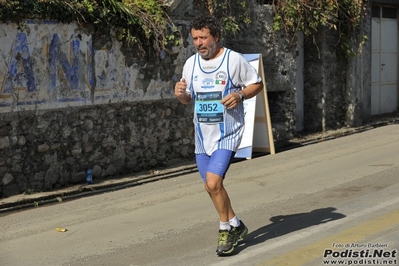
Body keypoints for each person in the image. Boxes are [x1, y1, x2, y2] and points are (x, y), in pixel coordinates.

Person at [174, 14, 263, 256]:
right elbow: (186, 100)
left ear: (216, 37)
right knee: (211, 187)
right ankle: (236, 224)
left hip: (228, 133)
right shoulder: (191, 64)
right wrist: (180, 93)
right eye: (194, 38)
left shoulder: (233, 60)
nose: (199, 42)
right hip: (202, 136)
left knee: (213, 182)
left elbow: (257, 83)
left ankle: (225, 230)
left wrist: (240, 95)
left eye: (203, 37)